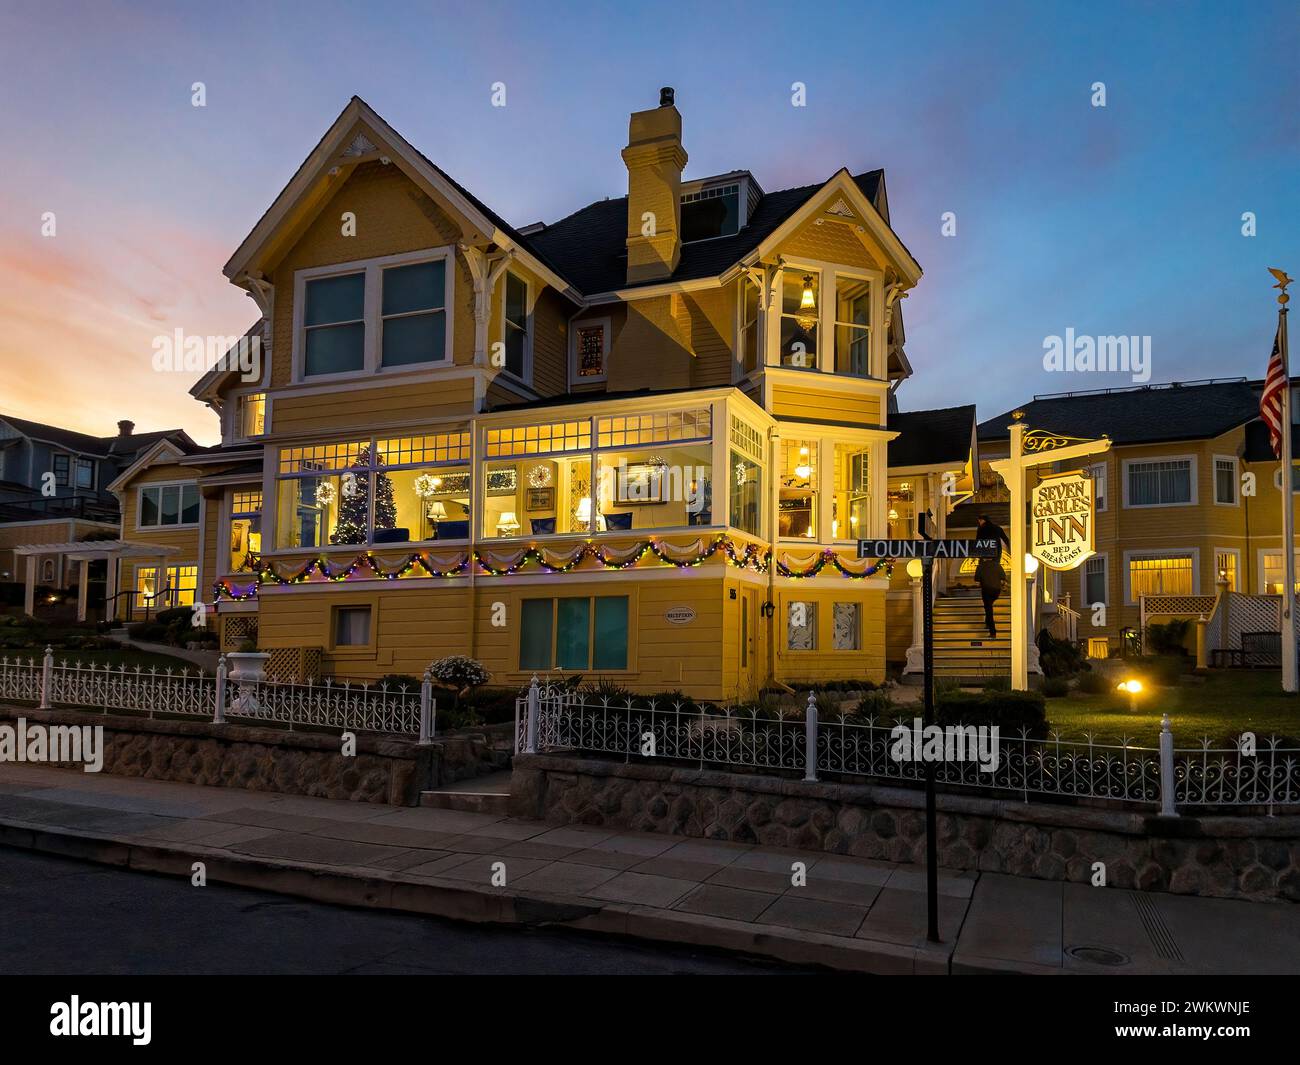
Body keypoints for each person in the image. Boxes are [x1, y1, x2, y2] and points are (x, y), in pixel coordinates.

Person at [975, 514, 1011, 638]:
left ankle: (992, 630)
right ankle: (988, 622)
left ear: (982, 520)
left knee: (988, 606)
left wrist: (979, 559)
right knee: (988, 605)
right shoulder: (997, 528)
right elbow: (1006, 540)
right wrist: (1012, 551)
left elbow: (977, 543)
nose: (978, 522)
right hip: (996, 556)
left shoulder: (981, 529)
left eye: (979, 520)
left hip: (985, 556)